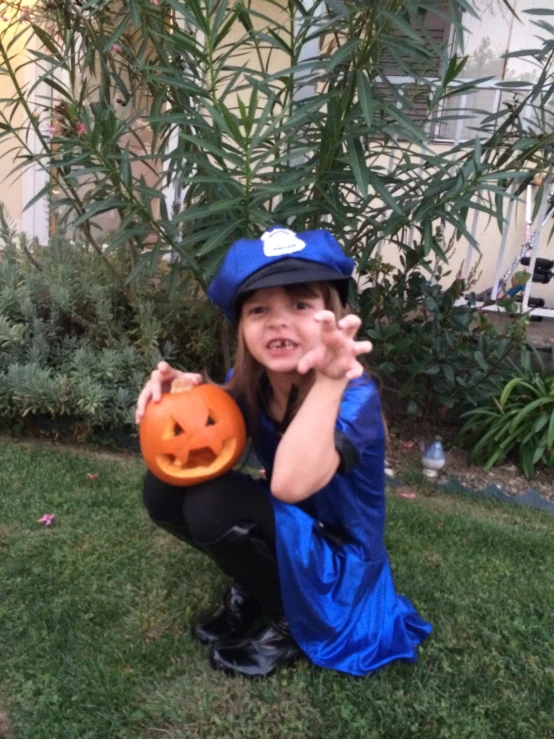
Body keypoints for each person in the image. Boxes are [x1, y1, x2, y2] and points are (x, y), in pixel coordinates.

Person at [136, 226, 432, 679]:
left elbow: (290, 486)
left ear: (331, 315)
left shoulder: (355, 398)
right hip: (294, 528)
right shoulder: (252, 381)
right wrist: (181, 391)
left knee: (215, 505)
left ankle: (292, 620)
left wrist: (331, 380)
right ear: (243, 327)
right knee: (166, 488)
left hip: (340, 556)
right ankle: (258, 586)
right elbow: (210, 424)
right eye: (259, 309)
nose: (278, 321)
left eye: (300, 304)